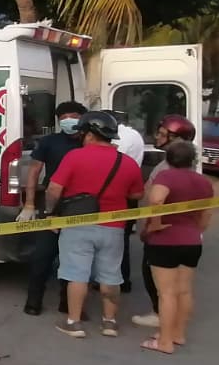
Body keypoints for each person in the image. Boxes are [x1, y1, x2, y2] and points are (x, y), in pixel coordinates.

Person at [44, 111, 145, 338]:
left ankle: (74, 322)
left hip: (77, 224)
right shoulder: (126, 162)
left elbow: (54, 189)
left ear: (89, 135)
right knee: (111, 276)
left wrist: (50, 213)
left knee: (77, 274)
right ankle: (109, 323)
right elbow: (138, 193)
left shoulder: (74, 157)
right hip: (113, 227)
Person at [138, 139, 213, 354]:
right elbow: (206, 213)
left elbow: (156, 200)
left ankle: (164, 342)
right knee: (184, 291)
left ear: (168, 158)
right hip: (192, 240)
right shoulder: (203, 182)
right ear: (193, 159)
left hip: (165, 241)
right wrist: (197, 228)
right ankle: (178, 334)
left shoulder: (166, 176)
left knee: (166, 293)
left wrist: (156, 224)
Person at [19, 100, 86, 316]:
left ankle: (67, 303)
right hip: (50, 201)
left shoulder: (89, 143)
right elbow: (34, 171)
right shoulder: (49, 142)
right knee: (43, 254)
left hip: (80, 204)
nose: (68, 121)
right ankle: (33, 301)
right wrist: (29, 203)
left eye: (73, 116)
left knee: (75, 256)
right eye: (63, 118)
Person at [132, 114, 198, 328]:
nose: (157, 137)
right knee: (182, 286)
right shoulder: (191, 171)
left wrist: (152, 227)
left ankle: (160, 315)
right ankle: (177, 324)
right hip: (188, 234)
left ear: (175, 137)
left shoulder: (168, 169)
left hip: (163, 234)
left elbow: (157, 201)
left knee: (157, 280)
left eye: (162, 134)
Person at [111, 112, 147, 292]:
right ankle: (122, 279)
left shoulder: (122, 138)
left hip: (120, 192)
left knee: (118, 240)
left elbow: (112, 160)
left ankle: (120, 280)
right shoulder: (134, 134)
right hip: (128, 190)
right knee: (122, 238)